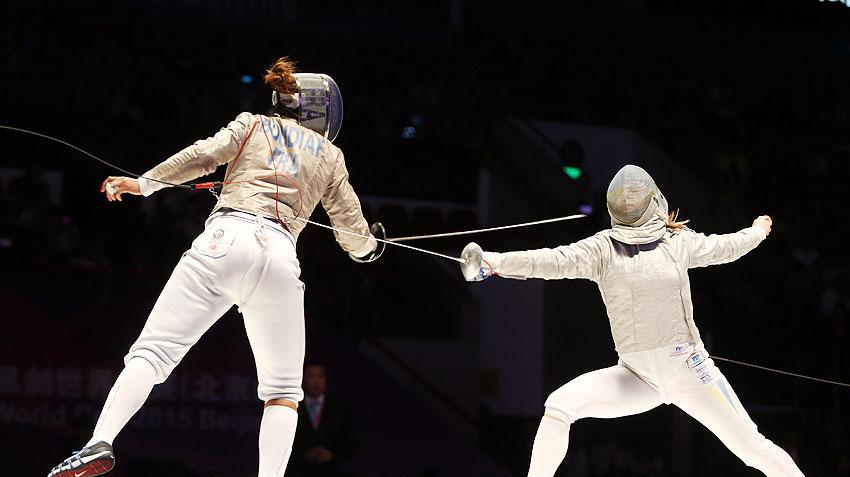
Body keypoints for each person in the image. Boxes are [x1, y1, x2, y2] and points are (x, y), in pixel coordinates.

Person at [47, 57, 380, 477]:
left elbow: (204, 155)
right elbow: (353, 235)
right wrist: (371, 247)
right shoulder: (331, 156)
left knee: (153, 353)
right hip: (279, 258)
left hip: (225, 241)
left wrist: (142, 183)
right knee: (282, 393)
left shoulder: (253, 124)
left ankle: (100, 441)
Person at [461, 165, 804, 477]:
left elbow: (724, 247)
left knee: (753, 449)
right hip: (636, 377)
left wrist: (757, 232)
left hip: (690, 372)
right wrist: (492, 262)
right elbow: (551, 261)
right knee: (560, 405)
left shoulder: (676, 242)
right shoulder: (602, 250)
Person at [288, 364, 357, 477]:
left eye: (320, 376)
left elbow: (351, 441)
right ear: (303, 380)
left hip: (333, 471)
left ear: (326, 379)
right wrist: (304, 455)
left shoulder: (339, 408)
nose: (316, 382)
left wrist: (332, 454)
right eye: (310, 377)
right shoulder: (293, 408)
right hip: (299, 471)